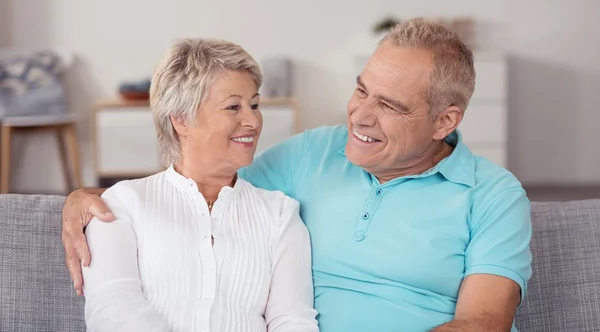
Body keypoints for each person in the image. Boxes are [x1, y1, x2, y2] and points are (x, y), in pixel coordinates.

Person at [63, 18, 532, 332]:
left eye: (388, 105)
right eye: (362, 91)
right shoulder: (314, 153)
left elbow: (483, 323)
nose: (360, 116)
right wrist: (98, 198)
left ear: (445, 122)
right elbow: (205, 186)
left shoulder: (492, 195)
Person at [78, 38, 318, 332]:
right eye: (233, 107)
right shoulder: (122, 205)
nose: (253, 120)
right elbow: (113, 310)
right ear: (181, 119)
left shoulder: (280, 215)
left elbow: (293, 320)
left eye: (254, 105)